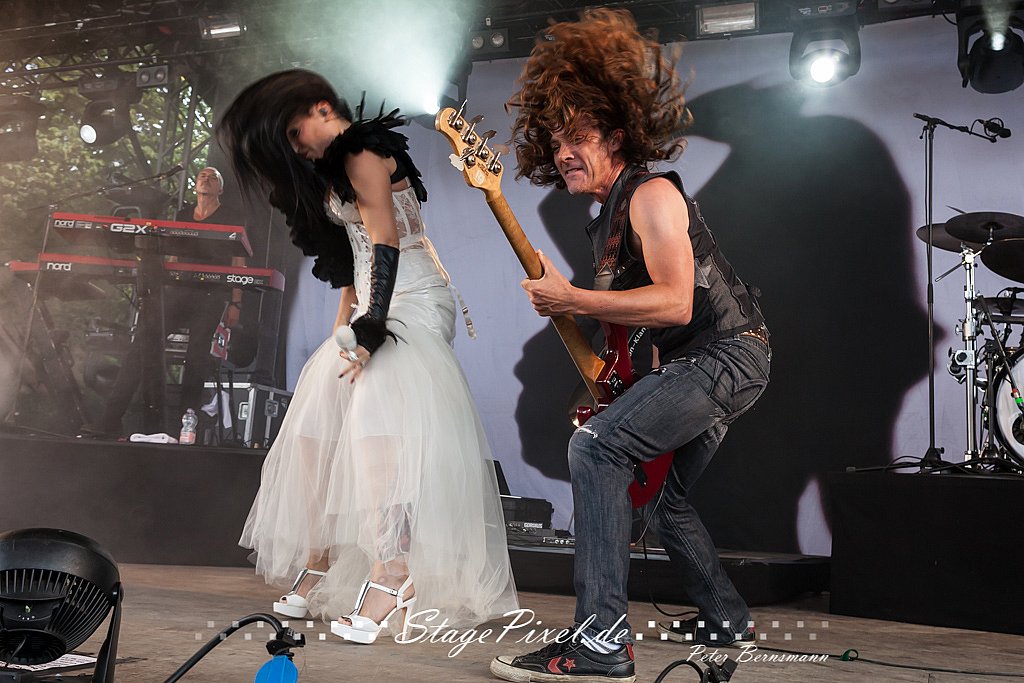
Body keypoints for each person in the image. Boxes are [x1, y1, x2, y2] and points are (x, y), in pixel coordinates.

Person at [491, 9, 770, 682]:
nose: (563, 151)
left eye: (578, 136)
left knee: (597, 448)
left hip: (728, 355)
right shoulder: (607, 221)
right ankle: (727, 617)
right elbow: (639, 327)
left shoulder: (649, 194)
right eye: (555, 140)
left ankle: (601, 643)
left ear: (616, 136)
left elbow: (676, 302)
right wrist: (615, 374)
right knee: (662, 497)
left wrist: (571, 300)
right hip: (702, 362)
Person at [217, 69, 517, 643]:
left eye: (295, 132)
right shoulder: (329, 170)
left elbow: (383, 241)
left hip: (412, 298)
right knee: (316, 418)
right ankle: (320, 560)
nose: (296, 147)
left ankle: (393, 575)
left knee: (377, 429)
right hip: (372, 304)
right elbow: (348, 261)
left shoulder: (363, 151)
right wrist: (344, 327)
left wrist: (372, 330)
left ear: (322, 108)